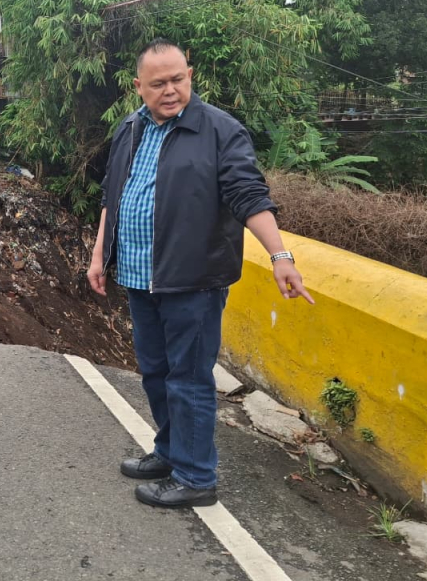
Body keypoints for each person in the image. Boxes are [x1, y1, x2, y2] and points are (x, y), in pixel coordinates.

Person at [87, 39, 314, 509]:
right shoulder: (129, 128)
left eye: (178, 79)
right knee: (154, 372)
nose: (170, 91)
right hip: (138, 274)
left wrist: (280, 256)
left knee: (188, 378)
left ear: (190, 74)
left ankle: (196, 476)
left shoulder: (219, 130)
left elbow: (249, 195)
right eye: (158, 84)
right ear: (138, 87)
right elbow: (115, 195)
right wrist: (98, 255)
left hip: (193, 280)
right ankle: (170, 453)